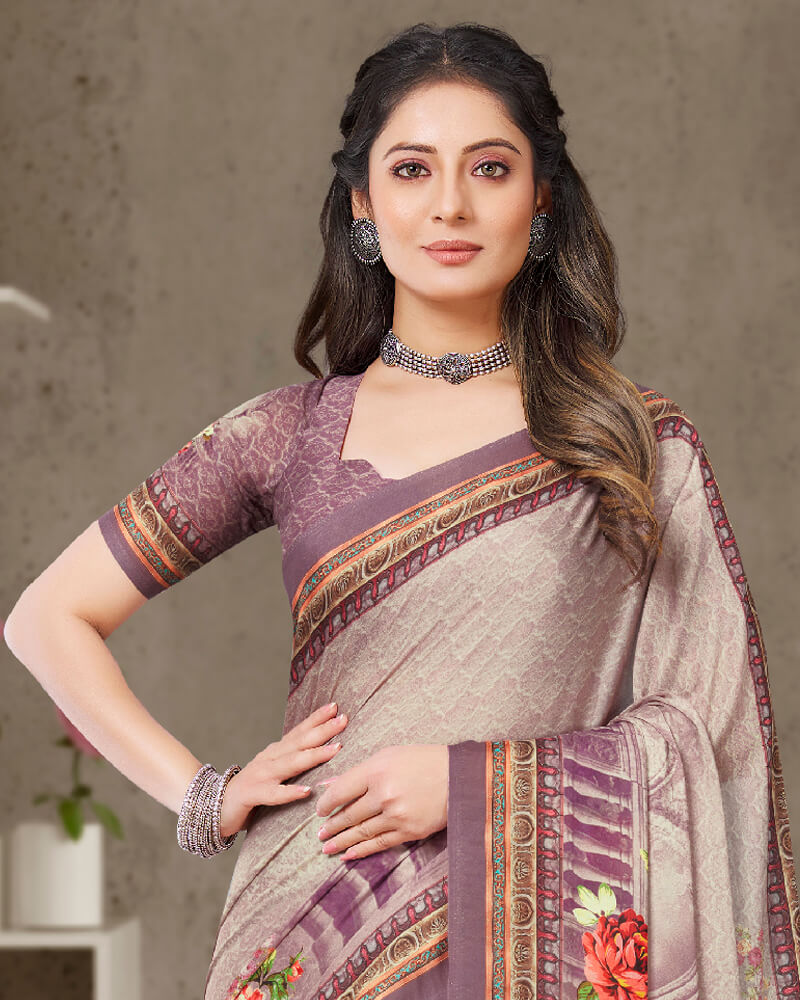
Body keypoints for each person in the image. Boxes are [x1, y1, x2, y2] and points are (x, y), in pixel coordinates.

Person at [5, 19, 798, 1000]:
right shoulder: (288, 434)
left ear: (542, 201)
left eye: (490, 169)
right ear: (363, 205)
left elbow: (709, 733)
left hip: (531, 945)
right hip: (311, 921)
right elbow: (45, 618)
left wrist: (472, 786)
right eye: (412, 170)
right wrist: (204, 795)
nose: (450, 204)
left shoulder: (633, 441)